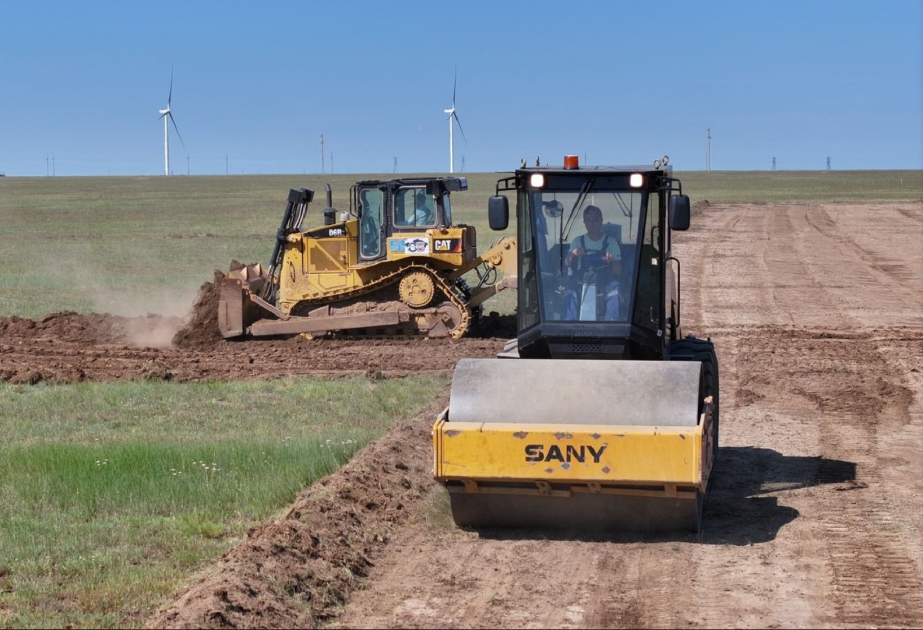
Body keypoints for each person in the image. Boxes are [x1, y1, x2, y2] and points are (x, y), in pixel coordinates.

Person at [562, 205, 621, 320]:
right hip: (580, 282)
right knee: (570, 289)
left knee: (615, 289)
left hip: (605, 283)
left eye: (595, 220)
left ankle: (611, 326)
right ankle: (568, 325)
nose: (592, 224)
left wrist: (612, 260)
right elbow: (566, 263)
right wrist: (573, 253)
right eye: (588, 220)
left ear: (601, 221)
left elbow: (618, 271)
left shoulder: (612, 243)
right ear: (584, 222)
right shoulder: (577, 241)